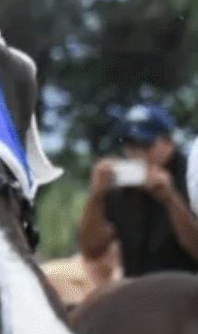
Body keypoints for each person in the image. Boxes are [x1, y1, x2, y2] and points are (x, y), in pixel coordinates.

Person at [80, 104, 198, 276]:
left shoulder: (192, 178)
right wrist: (96, 196)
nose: (137, 154)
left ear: (169, 143)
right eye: (130, 146)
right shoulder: (121, 182)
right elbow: (93, 251)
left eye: (145, 145)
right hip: (140, 290)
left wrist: (171, 200)